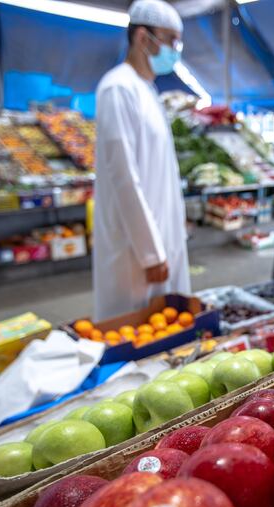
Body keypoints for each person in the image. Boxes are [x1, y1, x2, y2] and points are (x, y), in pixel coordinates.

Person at [92, 0, 190, 320]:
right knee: (134, 327)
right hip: (136, 249)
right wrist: (150, 252)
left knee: (165, 326)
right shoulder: (117, 88)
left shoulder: (146, 89)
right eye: (171, 40)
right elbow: (123, 175)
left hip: (161, 235)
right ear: (142, 37)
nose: (175, 50)